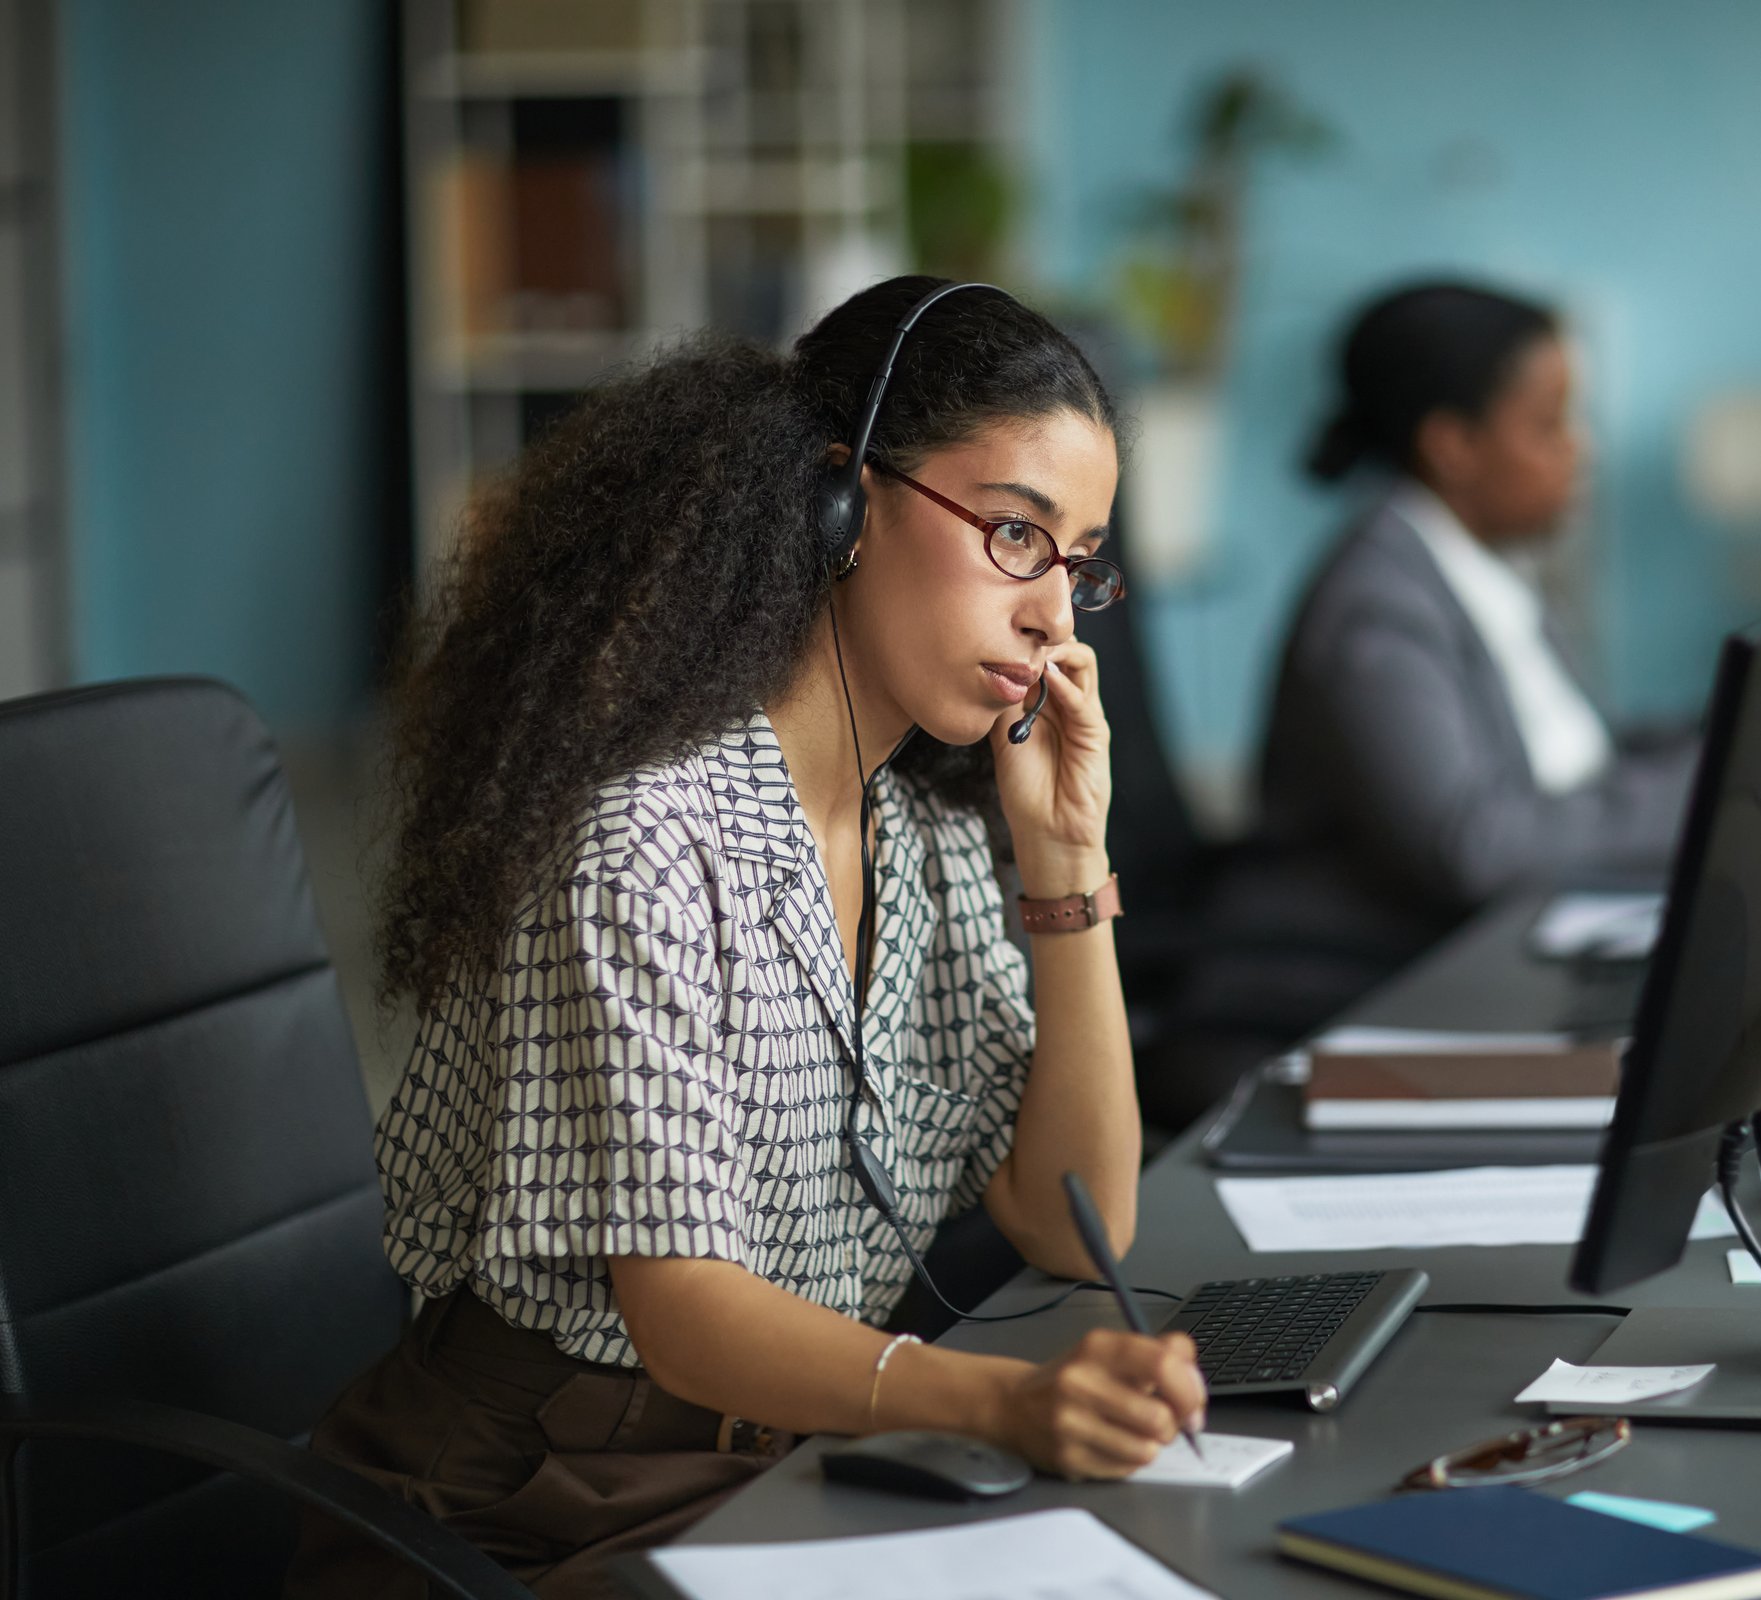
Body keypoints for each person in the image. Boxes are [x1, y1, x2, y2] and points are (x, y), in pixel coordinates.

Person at [289, 278, 1204, 1597]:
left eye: (1079, 562)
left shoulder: (931, 837)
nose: (1054, 614)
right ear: (842, 503)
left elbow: (1079, 1220)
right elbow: (690, 1313)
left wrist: (1065, 866)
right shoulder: (642, 843)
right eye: (1015, 535)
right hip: (529, 1504)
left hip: (783, 1458)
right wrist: (999, 1404)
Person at [1154, 283, 1694, 1127]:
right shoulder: (1377, 603)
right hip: (1342, 989)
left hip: (1465, 962)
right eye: (1549, 425)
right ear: (1452, 446)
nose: (1579, 450)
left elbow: (1569, 752)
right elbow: (1475, 843)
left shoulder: (1481, 566)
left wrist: (1724, 740)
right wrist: (1709, 791)